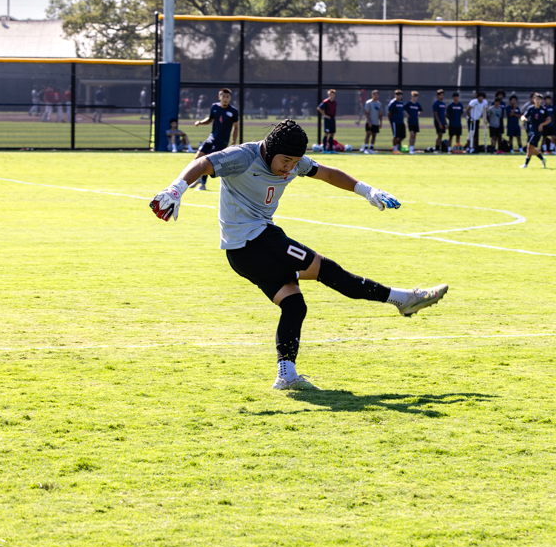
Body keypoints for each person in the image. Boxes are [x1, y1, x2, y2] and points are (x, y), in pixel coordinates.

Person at [149, 119, 449, 391]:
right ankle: (403, 299)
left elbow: (329, 173)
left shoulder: (293, 161)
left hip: (245, 253)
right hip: (255, 241)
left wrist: (367, 191)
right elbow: (202, 164)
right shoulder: (243, 156)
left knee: (294, 305)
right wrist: (176, 190)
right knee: (329, 270)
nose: (289, 169)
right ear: (269, 150)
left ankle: (286, 374)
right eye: (285, 161)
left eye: (294, 163)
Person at [192, 88, 241, 189]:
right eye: (223, 96)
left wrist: (233, 142)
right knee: (198, 157)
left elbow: (236, 127)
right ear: (219, 97)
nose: (225, 99)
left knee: (207, 160)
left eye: (227, 97)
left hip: (222, 141)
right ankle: (199, 178)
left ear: (230, 98)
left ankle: (202, 184)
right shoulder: (214, 107)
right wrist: (200, 122)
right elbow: (210, 119)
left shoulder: (233, 111)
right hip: (211, 138)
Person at [519, 92, 549, 168]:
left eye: (539, 99)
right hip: (531, 129)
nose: (538, 101)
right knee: (531, 147)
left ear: (541, 100)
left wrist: (542, 124)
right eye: (536, 99)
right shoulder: (530, 108)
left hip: (538, 130)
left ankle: (525, 164)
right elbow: (523, 116)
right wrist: (523, 118)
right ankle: (542, 159)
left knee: (529, 146)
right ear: (534, 100)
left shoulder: (543, 109)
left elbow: (549, 119)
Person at [317, 88, 337, 152]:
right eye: (331, 94)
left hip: (332, 119)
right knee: (326, 133)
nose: (332, 96)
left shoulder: (334, 102)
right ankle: (325, 149)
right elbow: (319, 108)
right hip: (327, 120)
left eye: (333, 94)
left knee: (332, 134)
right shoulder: (326, 102)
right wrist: (325, 115)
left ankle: (331, 149)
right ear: (328, 94)